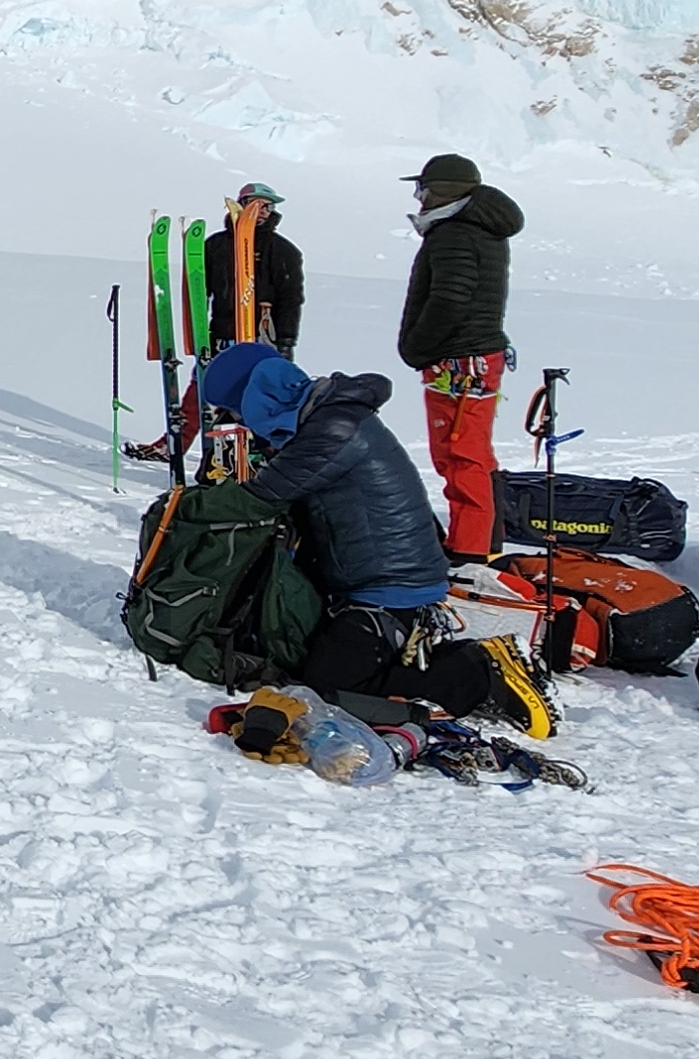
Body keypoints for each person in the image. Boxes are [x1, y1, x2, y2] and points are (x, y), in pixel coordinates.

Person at [201, 340, 551, 734]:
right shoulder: (329, 416)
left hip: (387, 591)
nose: (242, 425)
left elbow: (259, 497)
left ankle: (477, 677)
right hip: (383, 579)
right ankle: (462, 662)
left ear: (257, 399)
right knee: (305, 660)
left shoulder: (330, 431)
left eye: (237, 413)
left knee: (325, 688)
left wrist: (187, 509)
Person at [396, 152, 524, 561]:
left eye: (425, 189)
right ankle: (483, 539)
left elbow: (450, 300)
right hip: (474, 357)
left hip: (459, 360)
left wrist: (417, 346)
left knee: (459, 455)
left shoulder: (456, 233)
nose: (420, 198)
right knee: (474, 452)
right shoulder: (477, 229)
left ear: (445, 191)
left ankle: (469, 551)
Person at [204, 181, 303, 351]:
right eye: (257, 204)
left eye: (269, 206)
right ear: (242, 205)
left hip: (263, 337)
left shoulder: (283, 250)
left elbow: (290, 299)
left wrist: (286, 343)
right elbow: (202, 290)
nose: (263, 211)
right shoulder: (216, 245)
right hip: (222, 336)